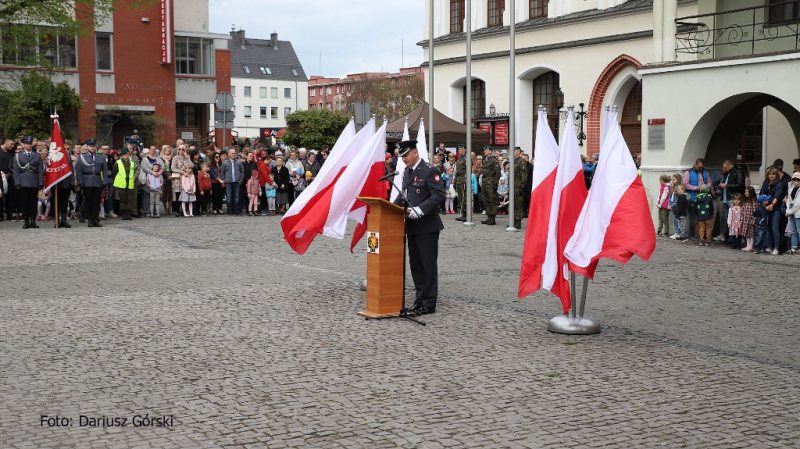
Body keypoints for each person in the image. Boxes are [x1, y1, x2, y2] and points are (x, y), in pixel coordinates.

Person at [392, 140, 445, 316]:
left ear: (415, 152)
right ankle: (419, 299)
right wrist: (389, 208)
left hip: (427, 226)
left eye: (406, 155)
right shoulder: (407, 172)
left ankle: (429, 302)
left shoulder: (429, 170)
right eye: (402, 156)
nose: (404, 159)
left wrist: (421, 209)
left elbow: (439, 195)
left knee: (427, 264)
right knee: (415, 265)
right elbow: (404, 196)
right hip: (412, 225)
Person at [12, 137, 44, 228]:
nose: (29, 145)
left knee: (33, 202)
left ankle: (33, 221)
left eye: (30, 143)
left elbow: (40, 170)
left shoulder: (37, 155)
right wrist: (17, 182)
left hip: (34, 180)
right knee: (24, 202)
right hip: (23, 180)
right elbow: (16, 170)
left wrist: (41, 182)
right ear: (24, 145)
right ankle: (26, 221)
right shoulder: (18, 155)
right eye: (27, 144)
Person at [74, 138, 107, 227]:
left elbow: (105, 171)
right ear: (87, 147)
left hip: (97, 181)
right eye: (91, 146)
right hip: (87, 181)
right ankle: (90, 220)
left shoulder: (101, 157)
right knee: (88, 202)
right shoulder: (82, 157)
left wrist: (104, 182)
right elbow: (79, 171)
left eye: (94, 146)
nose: (92, 148)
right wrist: (80, 182)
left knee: (97, 202)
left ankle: (96, 219)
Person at [682, 158, 712, 240]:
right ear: (695, 164)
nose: (701, 169)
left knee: (704, 217)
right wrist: (696, 188)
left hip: (704, 197)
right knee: (693, 217)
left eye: (702, 167)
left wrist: (706, 187)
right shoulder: (688, 172)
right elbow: (685, 184)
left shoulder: (705, 172)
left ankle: (703, 235)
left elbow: (709, 182)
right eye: (699, 167)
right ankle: (694, 235)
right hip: (693, 197)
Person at [760, 166, 785, 255]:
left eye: (773, 174)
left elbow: (777, 196)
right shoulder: (765, 183)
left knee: (775, 228)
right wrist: (764, 202)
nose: (771, 176)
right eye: (770, 174)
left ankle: (776, 247)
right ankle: (769, 246)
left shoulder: (778, 184)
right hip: (766, 207)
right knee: (768, 227)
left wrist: (772, 204)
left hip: (776, 208)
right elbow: (762, 194)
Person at [112, 146, 139, 220]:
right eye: (126, 154)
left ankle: (128, 213)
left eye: (128, 154)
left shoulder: (132, 163)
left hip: (129, 183)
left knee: (129, 199)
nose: (127, 156)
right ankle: (124, 213)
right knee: (123, 200)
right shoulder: (118, 162)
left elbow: (134, 171)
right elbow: (114, 172)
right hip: (121, 184)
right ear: (122, 155)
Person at [220, 148, 244, 215]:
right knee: (229, 197)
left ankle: (236, 210)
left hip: (237, 182)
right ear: (229, 154)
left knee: (236, 197)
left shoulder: (239, 162)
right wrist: (223, 181)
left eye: (234, 153)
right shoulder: (225, 163)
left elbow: (242, 171)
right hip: (228, 182)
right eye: (232, 153)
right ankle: (230, 210)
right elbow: (222, 173)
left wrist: (240, 181)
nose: (234, 154)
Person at [480, 145, 500, 225]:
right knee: (486, 200)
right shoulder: (484, 160)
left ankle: (493, 218)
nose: (484, 151)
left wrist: (495, 183)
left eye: (486, 150)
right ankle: (488, 216)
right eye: (484, 150)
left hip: (491, 181)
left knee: (492, 200)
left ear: (490, 151)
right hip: (485, 181)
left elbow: (497, 172)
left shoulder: (493, 160)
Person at [512, 147, 528, 229]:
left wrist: (522, 186)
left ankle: (518, 221)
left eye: (514, 151)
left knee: (518, 204)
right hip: (512, 186)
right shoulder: (513, 161)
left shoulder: (521, 162)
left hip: (518, 186)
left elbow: (524, 175)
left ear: (518, 152)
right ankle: (514, 220)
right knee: (513, 204)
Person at [785, 172, 800, 254]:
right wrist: (788, 210)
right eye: (794, 179)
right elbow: (789, 201)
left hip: (798, 211)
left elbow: (798, 204)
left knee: (799, 230)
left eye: (798, 179)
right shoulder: (792, 188)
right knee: (793, 230)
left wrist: (790, 211)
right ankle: (794, 246)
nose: (796, 181)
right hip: (791, 209)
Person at [740, 186, 758, 251]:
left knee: (751, 234)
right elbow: (742, 210)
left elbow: (755, 211)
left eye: (748, 192)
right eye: (745, 192)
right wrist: (741, 219)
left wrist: (753, 220)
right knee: (746, 233)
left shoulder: (754, 201)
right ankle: (748, 245)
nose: (746, 193)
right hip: (745, 219)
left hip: (750, 220)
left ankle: (751, 245)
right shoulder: (745, 201)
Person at [454, 144, 468, 221]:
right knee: (460, 197)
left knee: (464, 198)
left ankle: (465, 214)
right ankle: (462, 213)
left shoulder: (466, 158)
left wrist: (466, 179)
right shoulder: (459, 159)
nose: (459, 150)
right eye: (459, 149)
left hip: (463, 179)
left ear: (465, 150)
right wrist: (455, 181)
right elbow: (457, 171)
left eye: (461, 149)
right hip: (459, 179)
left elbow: (468, 169)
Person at [669, 174, 684, 239]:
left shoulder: (678, 188)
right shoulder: (672, 187)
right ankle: (676, 232)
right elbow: (670, 197)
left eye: (674, 179)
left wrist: (672, 205)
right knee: (674, 220)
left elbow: (677, 199)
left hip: (676, 206)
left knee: (677, 220)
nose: (672, 181)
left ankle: (678, 233)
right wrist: (669, 204)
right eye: (672, 179)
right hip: (672, 205)